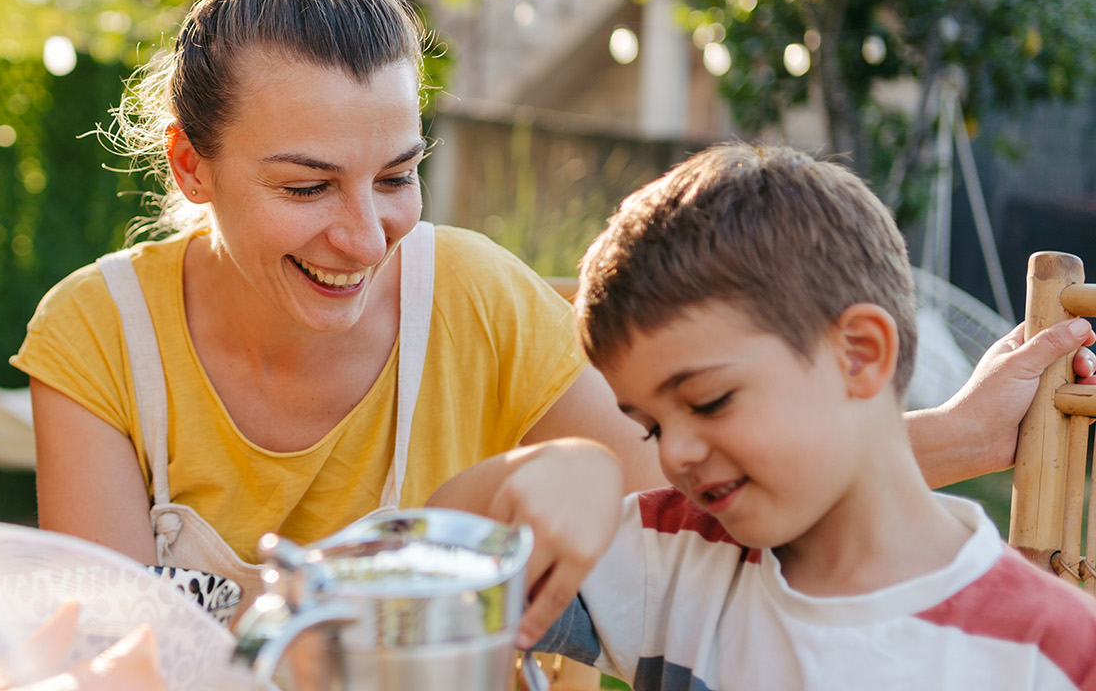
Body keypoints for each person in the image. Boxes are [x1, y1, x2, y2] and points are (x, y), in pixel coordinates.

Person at [11, 0, 1096, 633]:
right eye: (306, 187)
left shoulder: (474, 298)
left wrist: (959, 430)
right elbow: (105, 658)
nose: (364, 234)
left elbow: (690, 495)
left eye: (396, 174)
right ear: (191, 165)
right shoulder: (100, 338)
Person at [441, 144, 1096, 689]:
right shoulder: (672, 556)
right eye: (652, 426)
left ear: (860, 355)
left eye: (708, 401)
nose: (675, 456)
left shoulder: (1056, 655)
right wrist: (556, 467)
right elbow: (418, 558)